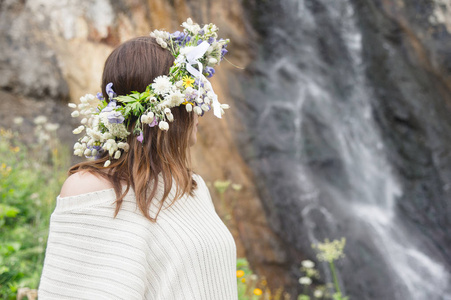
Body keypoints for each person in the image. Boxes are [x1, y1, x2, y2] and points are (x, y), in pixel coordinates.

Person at [38, 19, 237, 299]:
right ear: (171, 105)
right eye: (195, 95)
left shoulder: (192, 187)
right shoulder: (92, 192)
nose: (201, 109)